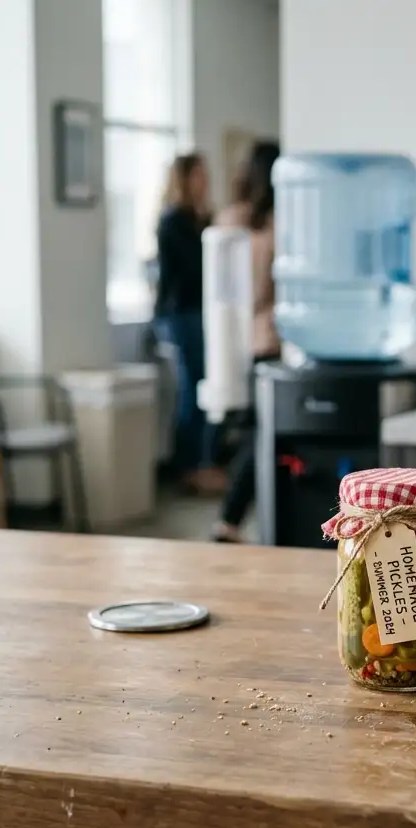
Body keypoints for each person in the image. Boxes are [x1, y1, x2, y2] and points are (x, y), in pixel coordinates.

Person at [211, 141, 281, 543]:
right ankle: (231, 520)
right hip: (268, 341)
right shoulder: (274, 225)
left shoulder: (227, 220)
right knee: (262, 435)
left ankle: (232, 521)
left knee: (252, 433)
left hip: (230, 344)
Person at [154, 152, 225, 494]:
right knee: (193, 390)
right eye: (198, 174)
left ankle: (202, 463)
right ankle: (189, 467)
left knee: (204, 389)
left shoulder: (200, 219)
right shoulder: (174, 221)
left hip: (199, 312)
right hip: (182, 314)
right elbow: (191, 272)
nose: (204, 180)